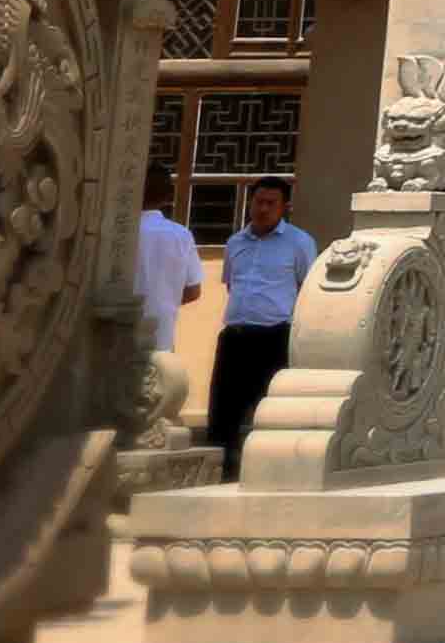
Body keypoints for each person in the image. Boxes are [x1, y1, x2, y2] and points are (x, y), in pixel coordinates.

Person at [206, 179, 322, 473]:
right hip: (235, 337)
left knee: (270, 410)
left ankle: (269, 471)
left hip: (274, 338)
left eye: (271, 203)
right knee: (223, 411)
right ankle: (222, 472)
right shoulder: (235, 243)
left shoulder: (299, 242)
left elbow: (307, 290)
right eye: (259, 202)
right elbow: (232, 285)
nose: (263, 209)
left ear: (285, 207)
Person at [131, 191, 204, 392]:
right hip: (162, 333)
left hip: (115, 331)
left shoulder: (117, 231)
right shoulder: (181, 234)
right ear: (166, 198)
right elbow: (193, 290)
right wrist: (165, 298)